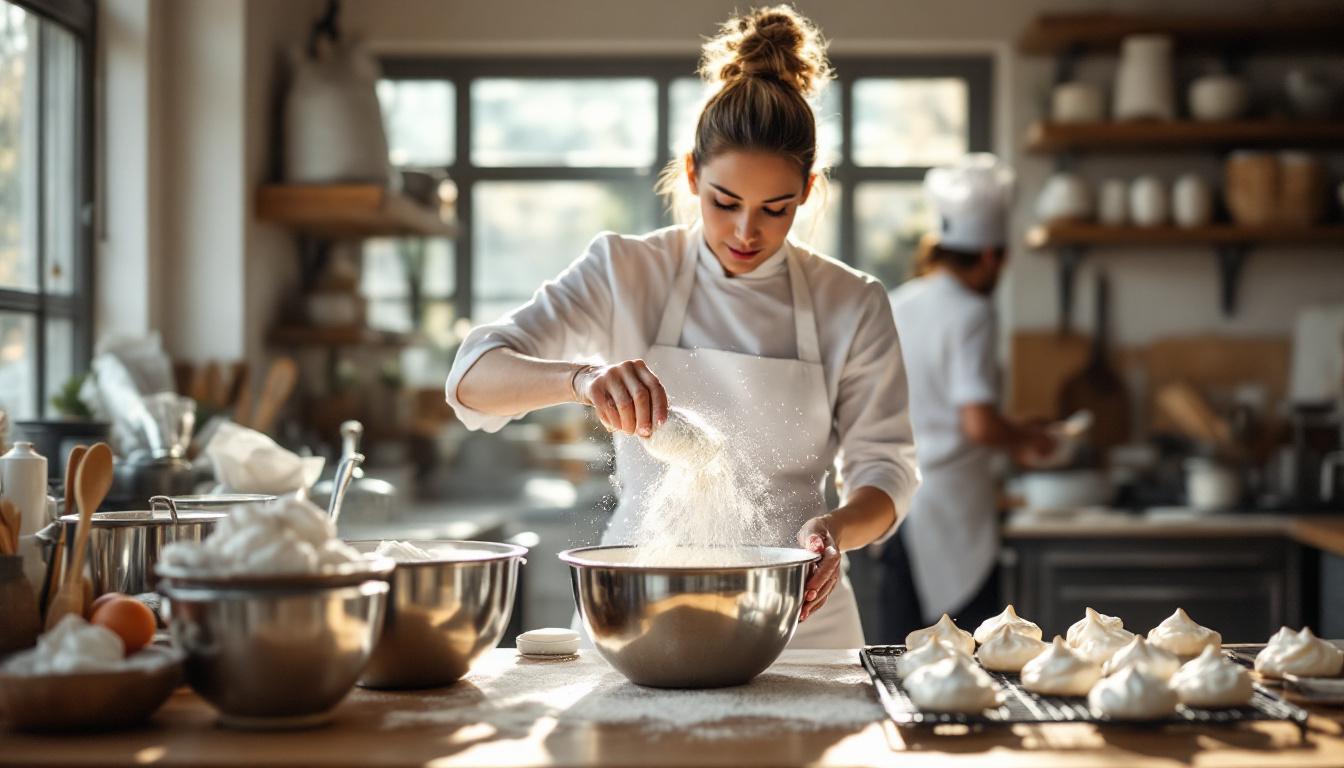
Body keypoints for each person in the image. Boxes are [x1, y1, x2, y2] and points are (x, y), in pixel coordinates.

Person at [444, 6, 918, 648]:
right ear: (693, 175)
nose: (746, 232)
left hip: (800, 617)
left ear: (807, 191)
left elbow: (886, 473)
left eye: (774, 210)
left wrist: (834, 530)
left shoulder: (851, 301)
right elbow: (472, 378)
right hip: (642, 607)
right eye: (725, 203)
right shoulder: (625, 270)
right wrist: (583, 380)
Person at [883, 154, 1055, 641]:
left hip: (897, 506)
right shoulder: (973, 312)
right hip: (955, 516)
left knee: (900, 659)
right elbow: (977, 424)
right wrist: (1028, 438)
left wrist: (1016, 426)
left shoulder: (899, 301)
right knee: (972, 662)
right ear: (989, 255)